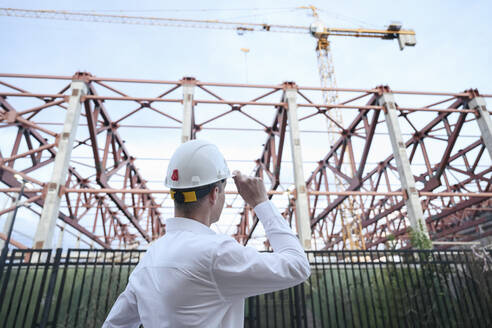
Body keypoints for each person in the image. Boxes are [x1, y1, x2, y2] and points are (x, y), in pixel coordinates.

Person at [103, 140, 310, 327]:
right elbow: (298, 265)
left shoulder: (150, 258)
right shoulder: (216, 253)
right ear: (214, 194)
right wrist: (261, 203)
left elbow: (114, 325)